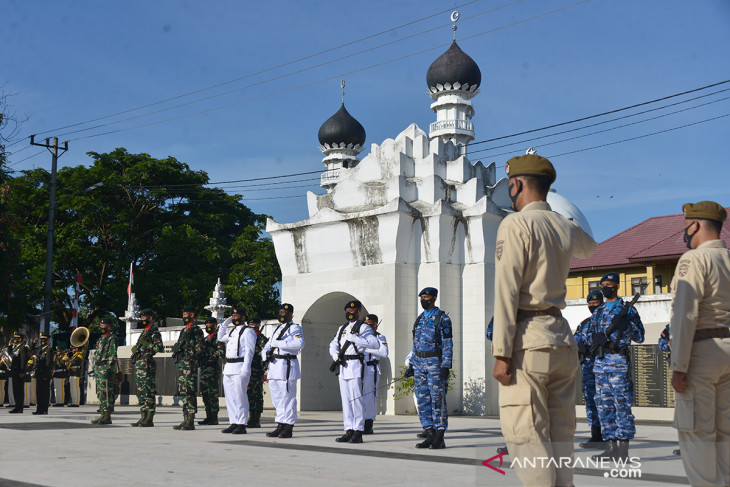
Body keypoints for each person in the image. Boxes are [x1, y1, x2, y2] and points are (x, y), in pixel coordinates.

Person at [491, 153, 596, 486]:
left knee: (528, 438)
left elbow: (506, 292)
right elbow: (589, 247)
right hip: (561, 339)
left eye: (511, 185)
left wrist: (501, 353)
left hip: (527, 342)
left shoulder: (515, 224)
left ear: (516, 184)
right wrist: (555, 214)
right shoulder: (563, 226)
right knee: (561, 435)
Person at [669, 201, 729, 487]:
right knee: (726, 435)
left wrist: (678, 366)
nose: (685, 232)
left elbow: (685, 315)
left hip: (702, 354)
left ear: (696, 225)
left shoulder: (694, 259)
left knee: (697, 435)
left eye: (686, 226)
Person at [583, 272, 644, 461]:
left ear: (617, 286)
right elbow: (588, 335)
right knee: (603, 406)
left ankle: (623, 452)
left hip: (618, 364)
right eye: (603, 285)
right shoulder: (599, 311)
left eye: (609, 284)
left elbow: (639, 336)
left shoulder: (627, 310)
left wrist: (624, 325)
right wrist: (595, 339)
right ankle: (610, 449)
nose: (605, 288)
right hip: (600, 365)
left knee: (622, 406)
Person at [329, 300, 380, 444]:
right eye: (348, 311)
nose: (350, 313)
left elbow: (375, 344)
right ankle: (349, 429)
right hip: (343, 366)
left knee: (356, 399)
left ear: (358, 312)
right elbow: (333, 343)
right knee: (346, 401)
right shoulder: (342, 327)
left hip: (356, 365)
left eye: (353, 311)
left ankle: (358, 430)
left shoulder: (364, 327)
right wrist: (334, 354)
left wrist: (356, 339)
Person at [412, 287, 453, 450]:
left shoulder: (442, 319)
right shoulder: (420, 319)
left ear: (434, 298)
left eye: (426, 297)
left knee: (437, 400)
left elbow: (447, 344)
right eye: (421, 297)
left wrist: (446, 365)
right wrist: (412, 364)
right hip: (419, 364)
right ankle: (429, 433)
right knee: (422, 400)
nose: (423, 300)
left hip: (435, 363)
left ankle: (439, 436)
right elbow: (415, 344)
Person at [263, 303, 304, 439]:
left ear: (291, 314)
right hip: (275, 366)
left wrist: (279, 344)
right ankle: (280, 423)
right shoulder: (277, 329)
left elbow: (299, 344)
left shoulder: (295, 328)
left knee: (288, 398)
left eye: (284, 313)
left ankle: (289, 426)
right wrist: (265, 354)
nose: (282, 315)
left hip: (287, 366)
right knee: (277, 399)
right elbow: (268, 345)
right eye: (280, 312)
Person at [574, 289, 605, 449]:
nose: (593, 306)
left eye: (596, 303)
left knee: (606, 402)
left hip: (605, 368)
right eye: (590, 304)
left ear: (602, 302)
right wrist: (578, 345)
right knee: (591, 401)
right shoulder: (585, 324)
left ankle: (609, 435)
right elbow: (575, 339)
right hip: (588, 369)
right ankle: (596, 435)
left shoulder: (607, 322)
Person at [218, 306, 256, 435]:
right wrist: (225, 323)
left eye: (236, 316)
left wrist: (246, 367)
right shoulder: (232, 331)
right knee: (230, 397)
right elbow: (220, 337)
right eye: (232, 316)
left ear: (243, 317)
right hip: (229, 367)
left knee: (240, 397)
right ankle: (233, 422)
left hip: (240, 367)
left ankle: (242, 423)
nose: (234, 318)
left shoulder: (248, 331)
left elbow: (250, 351)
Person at [172, 306, 204, 431]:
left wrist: (189, 346)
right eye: (183, 313)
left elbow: (200, 347)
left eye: (187, 314)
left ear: (192, 315)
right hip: (182, 363)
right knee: (183, 391)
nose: (184, 316)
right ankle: (185, 418)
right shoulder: (183, 330)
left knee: (190, 391)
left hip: (190, 363)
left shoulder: (196, 330)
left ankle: (190, 420)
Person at [131, 309, 164, 427]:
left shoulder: (153, 331)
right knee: (140, 392)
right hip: (140, 364)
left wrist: (147, 344)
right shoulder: (144, 332)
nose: (142, 319)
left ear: (150, 318)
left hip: (147, 364)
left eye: (144, 317)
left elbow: (159, 347)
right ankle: (143, 416)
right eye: (141, 317)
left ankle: (149, 418)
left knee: (148, 391)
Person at [363, 314, 388, 435]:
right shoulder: (360, 336)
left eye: (369, 324)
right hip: (359, 368)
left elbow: (384, 352)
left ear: (375, 324)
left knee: (370, 397)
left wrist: (366, 349)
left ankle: (369, 423)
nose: (366, 326)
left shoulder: (379, 337)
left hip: (371, 368)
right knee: (360, 397)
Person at [91, 317, 118, 425]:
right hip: (99, 369)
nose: (101, 328)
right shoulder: (102, 338)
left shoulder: (112, 338)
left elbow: (112, 354)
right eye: (101, 326)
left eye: (104, 326)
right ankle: (102, 414)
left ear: (109, 326)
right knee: (100, 392)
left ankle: (107, 416)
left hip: (105, 369)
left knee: (106, 392)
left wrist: (108, 368)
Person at [199, 317, 224, 426]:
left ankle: (214, 417)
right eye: (206, 325)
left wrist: (209, 353)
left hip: (212, 368)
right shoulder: (205, 339)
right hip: (204, 368)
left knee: (212, 394)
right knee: (205, 393)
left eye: (210, 325)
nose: (208, 326)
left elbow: (221, 353)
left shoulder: (218, 338)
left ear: (215, 325)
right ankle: (208, 416)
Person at [246, 317, 268, 428]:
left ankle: (256, 418)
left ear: (258, 325)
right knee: (249, 393)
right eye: (250, 324)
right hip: (247, 369)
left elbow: (265, 352)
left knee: (257, 394)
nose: (251, 325)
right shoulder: (246, 337)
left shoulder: (261, 338)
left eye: (253, 324)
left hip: (257, 370)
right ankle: (250, 416)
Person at [32, 332, 53, 415]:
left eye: (44, 339)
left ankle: (44, 409)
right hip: (39, 374)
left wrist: (46, 375)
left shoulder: (49, 349)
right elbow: (31, 351)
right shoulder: (40, 349)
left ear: (48, 340)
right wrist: (33, 344)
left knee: (44, 393)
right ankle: (39, 409)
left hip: (45, 374)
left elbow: (48, 364)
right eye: (41, 339)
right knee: (39, 392)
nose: (43, 341)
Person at [8, 332, 29, 413]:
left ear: (20, 339)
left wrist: (22, 371)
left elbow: (23, 360)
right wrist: (10, 345)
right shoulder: (16, 348)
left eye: (16, 338)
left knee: (19, 390)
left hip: (19, 372)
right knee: (15, 390)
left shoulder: (23, 348)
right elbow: (11, 354)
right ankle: (17, 407)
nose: (15, 339)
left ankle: (19, 408)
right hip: (14, 371)